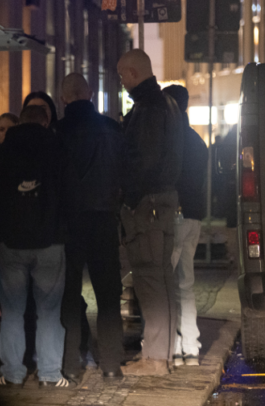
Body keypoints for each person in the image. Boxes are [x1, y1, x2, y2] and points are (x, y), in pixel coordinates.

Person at [0, 105, 68, 387]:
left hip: (11, 243)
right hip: (51, 242)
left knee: (12, 311)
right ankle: (49, 373)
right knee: (49, 312)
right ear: (46, 122)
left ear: (20, 122)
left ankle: (12, 373)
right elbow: (69, 194)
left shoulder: (2, 154)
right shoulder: (59, 151)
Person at [53, 72, 127, 380]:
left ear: (63, 98)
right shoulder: (112, 129)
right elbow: (125, 173)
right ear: (92, 94)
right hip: (105, 218)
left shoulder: (57, 132)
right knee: (108, 294)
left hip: (68, 222)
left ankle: (70, 363)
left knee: (68, 294)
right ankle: (111, 363)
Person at [116, 50, 185, 377]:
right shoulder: (168, 105)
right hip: (164, 200)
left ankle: (156, 358)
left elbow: (140, 162)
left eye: (121, 76)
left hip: (148, 206)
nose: (121, 83)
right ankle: (162, 355)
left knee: (150, 280)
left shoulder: (146, 110)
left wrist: (129, 199)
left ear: (131, 73)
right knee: (162, 279)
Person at [162, 85, 208, 367]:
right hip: (194, 218)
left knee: (165, 284)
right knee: (186, 285)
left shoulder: (170, 140)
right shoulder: (196, 140)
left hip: (174, 216)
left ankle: (173, 345)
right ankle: (191, 345)